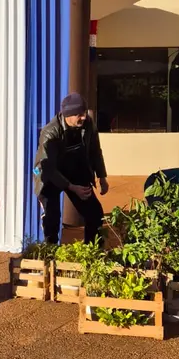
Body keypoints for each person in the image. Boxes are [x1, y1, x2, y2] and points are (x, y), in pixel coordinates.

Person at [34, 92, 109, 245]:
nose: (83, 117)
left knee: (95, 214)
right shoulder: (50, 132)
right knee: (52, 218)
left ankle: (93, 253)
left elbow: (95, 150)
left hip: (75, 171)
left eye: (84, 113)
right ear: (67, 115)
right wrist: (71, 187)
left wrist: (102, 176)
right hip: (50, 175)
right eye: (78, 114)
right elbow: (47, 167)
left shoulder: (88, 124)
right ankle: (51, 254)